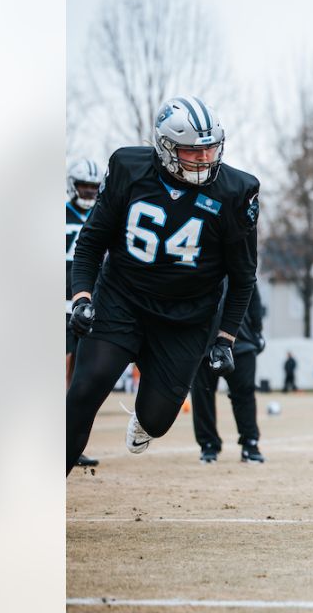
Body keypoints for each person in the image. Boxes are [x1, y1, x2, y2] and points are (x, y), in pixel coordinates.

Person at [66, 96, 260, 476]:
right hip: (122, 299)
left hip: (186, 318)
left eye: (210, 149)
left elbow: (242, 277)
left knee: (156, 420)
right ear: (166, 148)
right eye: (193, 151)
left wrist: (225, 339)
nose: (205, 159)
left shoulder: (236, 192)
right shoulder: (128, 168)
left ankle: (144, 421)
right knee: (85, 390)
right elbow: (91, 241)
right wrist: (83, 297)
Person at [192, 284, 267, 463]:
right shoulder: (198, 265)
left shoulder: (238, 262)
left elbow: (253, 296)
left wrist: (256, 331)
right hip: (203, 341)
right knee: (203, 394)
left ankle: (250, 442)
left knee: (244, 394)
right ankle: (208, 444)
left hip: (241, 340)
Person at [66, 158, 105, 468]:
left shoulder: (101, 213)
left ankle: (69, 444)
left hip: (89, 305)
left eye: (94, 187)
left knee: (80, 377)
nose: (89, 192)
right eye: (84, 186)